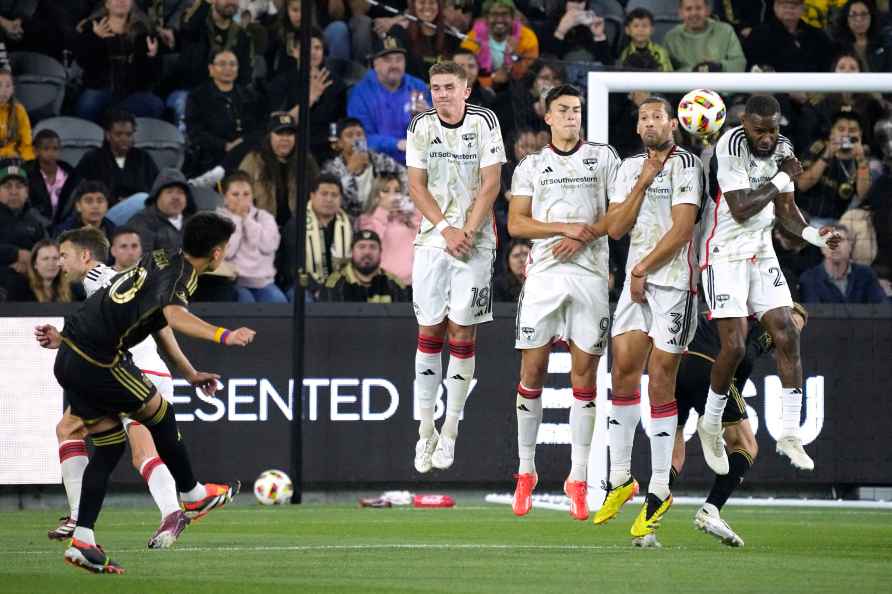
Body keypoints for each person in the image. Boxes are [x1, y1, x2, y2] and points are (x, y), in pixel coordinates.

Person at [35, 212, 253, 573]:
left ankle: (83, 539)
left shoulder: (160, 256)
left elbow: (158, 323)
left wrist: (190, 372)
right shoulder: (179, 279)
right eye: (226, 249)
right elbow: (174, 316)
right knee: (161, 415)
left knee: (107, 446)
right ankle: (193, 497)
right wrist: (224, 335)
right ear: (216, 254)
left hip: (70, 355)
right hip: (100, 361)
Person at [697, 95, 842, 477]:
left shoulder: (783, 149)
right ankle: (710, 425)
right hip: (723, 252)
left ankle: (790, 434)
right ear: (744, 123)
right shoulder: (728, 146)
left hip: (761, 251)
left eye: (774, 129)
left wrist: (814, 236)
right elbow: (742, 208)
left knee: (788, 332)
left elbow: (784, 211)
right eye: (760, 129)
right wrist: (782, 178)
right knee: (735, 346)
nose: (767, 137)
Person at [47, 226, 203, 549]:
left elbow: (157, 325)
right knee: (71, 429)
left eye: (64, 255)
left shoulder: (99, 281)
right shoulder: (113, 283)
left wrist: (187, 369)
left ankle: (174, 507)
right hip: (126, 371)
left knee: (126, 447)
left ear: (85, 256)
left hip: (133, 372)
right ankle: (174, 507)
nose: (60, 263)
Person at [593, 96, 704, 545]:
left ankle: (660, 486)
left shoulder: (689, 165)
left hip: (673, 283)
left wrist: (640, 270)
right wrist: (641, 181)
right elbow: (616, 228)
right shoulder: (627, 167)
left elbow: (682, 231)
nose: (650, 122)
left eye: (658, 115)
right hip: (637, 285)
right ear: (637, 128)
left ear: (673, 123)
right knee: (621, 371)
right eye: (644, 117)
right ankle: (621, 477)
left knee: (660, 379)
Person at [507, 84, 619, 520]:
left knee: (584, 377)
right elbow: (516, 223)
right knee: (531, 371)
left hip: (591, 276)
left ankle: (577, 477)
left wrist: (586, 234)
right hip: (545, 277)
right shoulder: (532, 165)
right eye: (563, 110)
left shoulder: (604, 158)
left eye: (576, 110)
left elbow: (620, 212)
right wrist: (564, 229)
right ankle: (525, 471)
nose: (572, 116)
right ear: (548, 117)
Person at [406, 60, 505, 473]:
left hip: (476, 241)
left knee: (462, 331)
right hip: (433, 240)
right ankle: (425, 430)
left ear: (466, 90)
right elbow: (416, 185)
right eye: (435, 87)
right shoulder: (420, 127)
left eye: (449, 87)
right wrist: (447, 229)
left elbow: (492, 184)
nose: (441, 94)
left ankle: (450, 430)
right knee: (429, 331)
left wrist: (466, 229)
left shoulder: (484, 121)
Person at [672, 304, 810, 548]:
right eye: (792, 327)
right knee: (747, 445)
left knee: (674, 441)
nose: (792, 336)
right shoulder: (766, 328)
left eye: (797, 332)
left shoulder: (742, 313)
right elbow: (745, 355)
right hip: (710, 369)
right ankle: (711, 509)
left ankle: (647, 520)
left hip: (681, 362)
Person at [73, 0, 164, 122]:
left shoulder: (143, 31)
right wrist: (96, 39)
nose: (121, 1)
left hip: (131, 93)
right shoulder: (91, 27)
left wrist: (151, 57)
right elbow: (84, 63)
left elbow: (152, 77)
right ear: (107, 4)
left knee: (154, 105)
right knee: (87, 105)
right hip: (99, 89)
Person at [347, 32, 430, 164]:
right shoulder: (360, 94)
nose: (394, 65)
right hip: (375, 164)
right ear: (375, 64)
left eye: (399, 59)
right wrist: (396, 144)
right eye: (387, 60)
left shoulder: (418, 86)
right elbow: (359, 139)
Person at [266, 26, 346, 161]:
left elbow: (339, 121)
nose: (313, 53)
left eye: (318, 48)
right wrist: (310, 98)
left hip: (327, 149)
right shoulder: (280, 83)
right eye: (307, 48)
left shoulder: (335, 83)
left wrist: (334, 140)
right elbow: (278, 126)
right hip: (294, 148)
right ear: (295, 51)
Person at [185, 49, 260, 177]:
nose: (228, 68)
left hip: (247, 156)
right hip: (211, 158)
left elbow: (258, 127)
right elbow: (195, 133)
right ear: (211, 69)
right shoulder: (197, 97)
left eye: (232, 64)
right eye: (222, 64)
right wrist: (224, 145)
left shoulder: (249, 96)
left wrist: (241, 141)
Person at [216, 170, 286, 303]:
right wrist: (236, 219)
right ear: (225, 197)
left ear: (252, 196)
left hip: (263, 283)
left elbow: (268, 247)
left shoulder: (265, 217)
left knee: (279, 302)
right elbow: (227, 253)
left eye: (246, 194)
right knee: (246, 302)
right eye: (235, 194)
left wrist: (248, 221)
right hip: (233, 282)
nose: (241, 199)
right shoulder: (217, 220)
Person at [239, 112, 319, 227]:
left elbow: (318, 192)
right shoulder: (254, 160)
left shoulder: (306, 160)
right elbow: (238, 197)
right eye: (280, 133)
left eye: (290, 134)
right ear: (269, 136)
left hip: (299, 230)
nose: (285, 139)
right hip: (261, 229)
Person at [321, 117, 408, 219]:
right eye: (349, 135)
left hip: (381, 218)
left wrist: (399, 200)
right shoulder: (331, 169)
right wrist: (349, 171)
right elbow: (331, 198)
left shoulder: (378, 160)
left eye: (359, 134)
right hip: (348, 221)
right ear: (340, 143)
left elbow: (405, 176)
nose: (356, 139)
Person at [797, 111, 872, 224]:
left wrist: (861, 160)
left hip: (836, 223)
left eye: (852, 131)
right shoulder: (818, 148)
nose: (846, 134)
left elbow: (864, 196)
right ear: (832, 132)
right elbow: (802, 185)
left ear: (860, 134)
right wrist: (827, 155)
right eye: (841, 129)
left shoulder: (861, 158)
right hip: (805, 216)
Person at [75, 110, 159, 207]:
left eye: (129, 135)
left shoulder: (144, 158)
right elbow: (81, 192)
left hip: (141, 214)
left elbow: (156, 189)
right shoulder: (93, 158)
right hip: (104, 213)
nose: (124, 139)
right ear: (107, 135)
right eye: (118, 134)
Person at [356, 173, 420, 285]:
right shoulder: (366, 219)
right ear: (376, 195)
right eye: (386, 191)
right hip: (383, 284)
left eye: (397, 191)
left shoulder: (410, 217)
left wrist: (413, 212)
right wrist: (383, 211)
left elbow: (425, 242)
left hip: (414, 283)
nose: (393, 196)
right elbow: (371, 243)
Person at [459, 0, 539, 89]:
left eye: (504, 14)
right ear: (486, 18)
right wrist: (492, 80)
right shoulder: (473, 38)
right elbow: (465, 72)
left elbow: (529, 74)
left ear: (513, 17)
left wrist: (512, 61)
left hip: (518, 88)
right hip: (480, 90)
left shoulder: (528, 38)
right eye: (494, 14)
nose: (499, 20)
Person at [798, 223, 888, 302]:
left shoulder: (866, 274)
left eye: (840, 240)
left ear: (850, 246)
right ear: (822, 248)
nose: (835, 245)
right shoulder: (809, 279)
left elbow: (882, 308)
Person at [319, 229, 411, 302]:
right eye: (361, 247)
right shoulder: (334, 284)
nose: (367, 252)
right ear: (352, 252)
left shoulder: (394, 284)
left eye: (373, 247)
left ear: (380, 252)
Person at [744, 0, 834, 73]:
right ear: (775, 6)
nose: (789, 8)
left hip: (812, 91)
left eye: (795, 4)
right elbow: (755, 70)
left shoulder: (818, 36)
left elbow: (827, 68)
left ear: (803, 8)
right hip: (774, 91)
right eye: (784, 3)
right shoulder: (759, 34)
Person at [0, 164, 47, 301]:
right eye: (8, 186)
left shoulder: (36, 220)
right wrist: (16, 254)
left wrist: (29, 264)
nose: (14, 192)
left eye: (19, 186)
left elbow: (47, 249)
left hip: (31, 281)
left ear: (27, 192)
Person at [126, 168, 197, 253]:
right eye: (169, 192)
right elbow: (145, 256)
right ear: (157, 196)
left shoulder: (195, 222)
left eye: (180, 192)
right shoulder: (141, 222)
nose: (176, 197)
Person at [388, 0, 460, 82]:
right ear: (413, 5)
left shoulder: (451, 36)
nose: (427, 7)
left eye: (432, 2)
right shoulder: (399, 32)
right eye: (422, 2)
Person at [663, 0, 746, 72]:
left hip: (721, 88)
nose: (694, 13)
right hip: (686, 89)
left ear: (707, 10)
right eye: (688, 9)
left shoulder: (726, 31)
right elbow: (665, 73)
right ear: (680, 13)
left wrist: (719, 66)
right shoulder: (671, 37)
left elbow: (740, 63)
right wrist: (692, 71)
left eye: (698, 8)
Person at [26, 130, 81, 230]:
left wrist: (63, 227)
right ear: (35, 151)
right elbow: (28, 208)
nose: (51, 153)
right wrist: (48, 226)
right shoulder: (27, 175)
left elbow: (75, 207)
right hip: (35, 229)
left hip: (67, 229)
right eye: (46, 149)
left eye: (55, 149)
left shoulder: (72, 175)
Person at [831, 0, 892, 72]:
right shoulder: (838, 47)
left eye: (864, 14)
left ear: (871, 17)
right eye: (853, 15)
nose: (859, 19)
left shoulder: (885, 43)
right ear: (846, 20)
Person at [617, 8, 673, 72]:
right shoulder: (624, 54)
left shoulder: (661, 52)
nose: (640, 30)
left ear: (652, 30)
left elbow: (667, 77)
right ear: (627, 30)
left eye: (645, 26)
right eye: (636, 26)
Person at [0, 69, 34, 160]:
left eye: (8, 86)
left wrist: (26, 160)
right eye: (0, 85)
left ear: (13, 89)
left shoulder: (19, 110)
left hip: (12, 159)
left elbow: (26, 143)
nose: (3, 91)